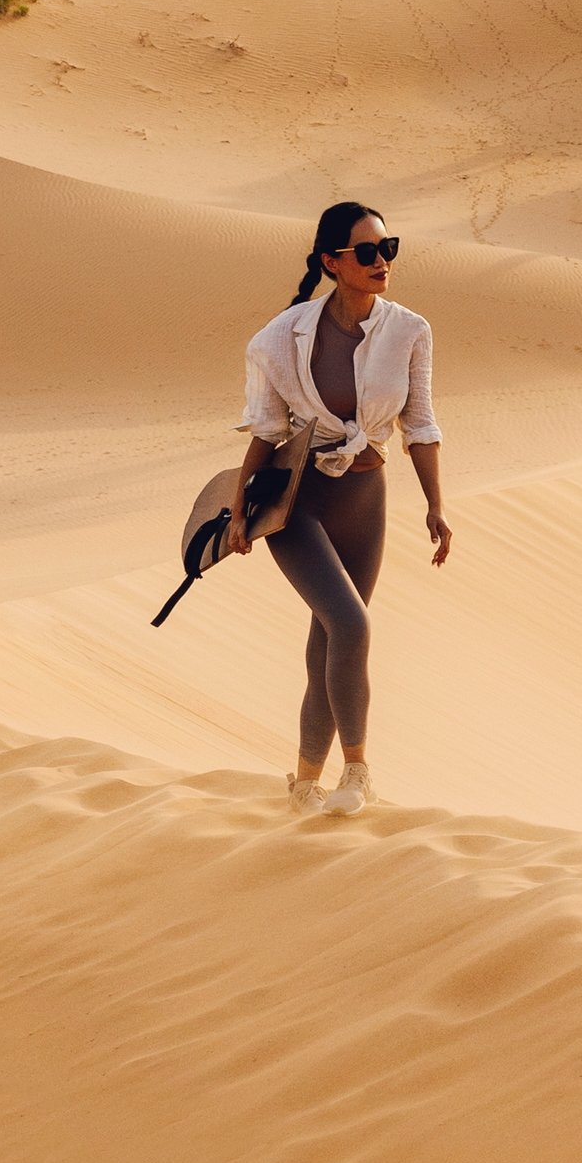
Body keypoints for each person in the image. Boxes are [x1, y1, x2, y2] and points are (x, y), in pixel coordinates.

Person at [230, 200, 448, 815]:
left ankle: (303, 784)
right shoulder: (279, 337)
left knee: (330, 638)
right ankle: (358, 773)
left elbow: (421, 422)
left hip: (365, 494)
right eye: (368, 252)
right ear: (333, 262)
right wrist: (238, 508)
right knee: (351, 626)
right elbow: (266, 430)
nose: (383, 262)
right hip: (296, 498)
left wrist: (436, 505)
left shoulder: (409, 330)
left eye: (389, 248)